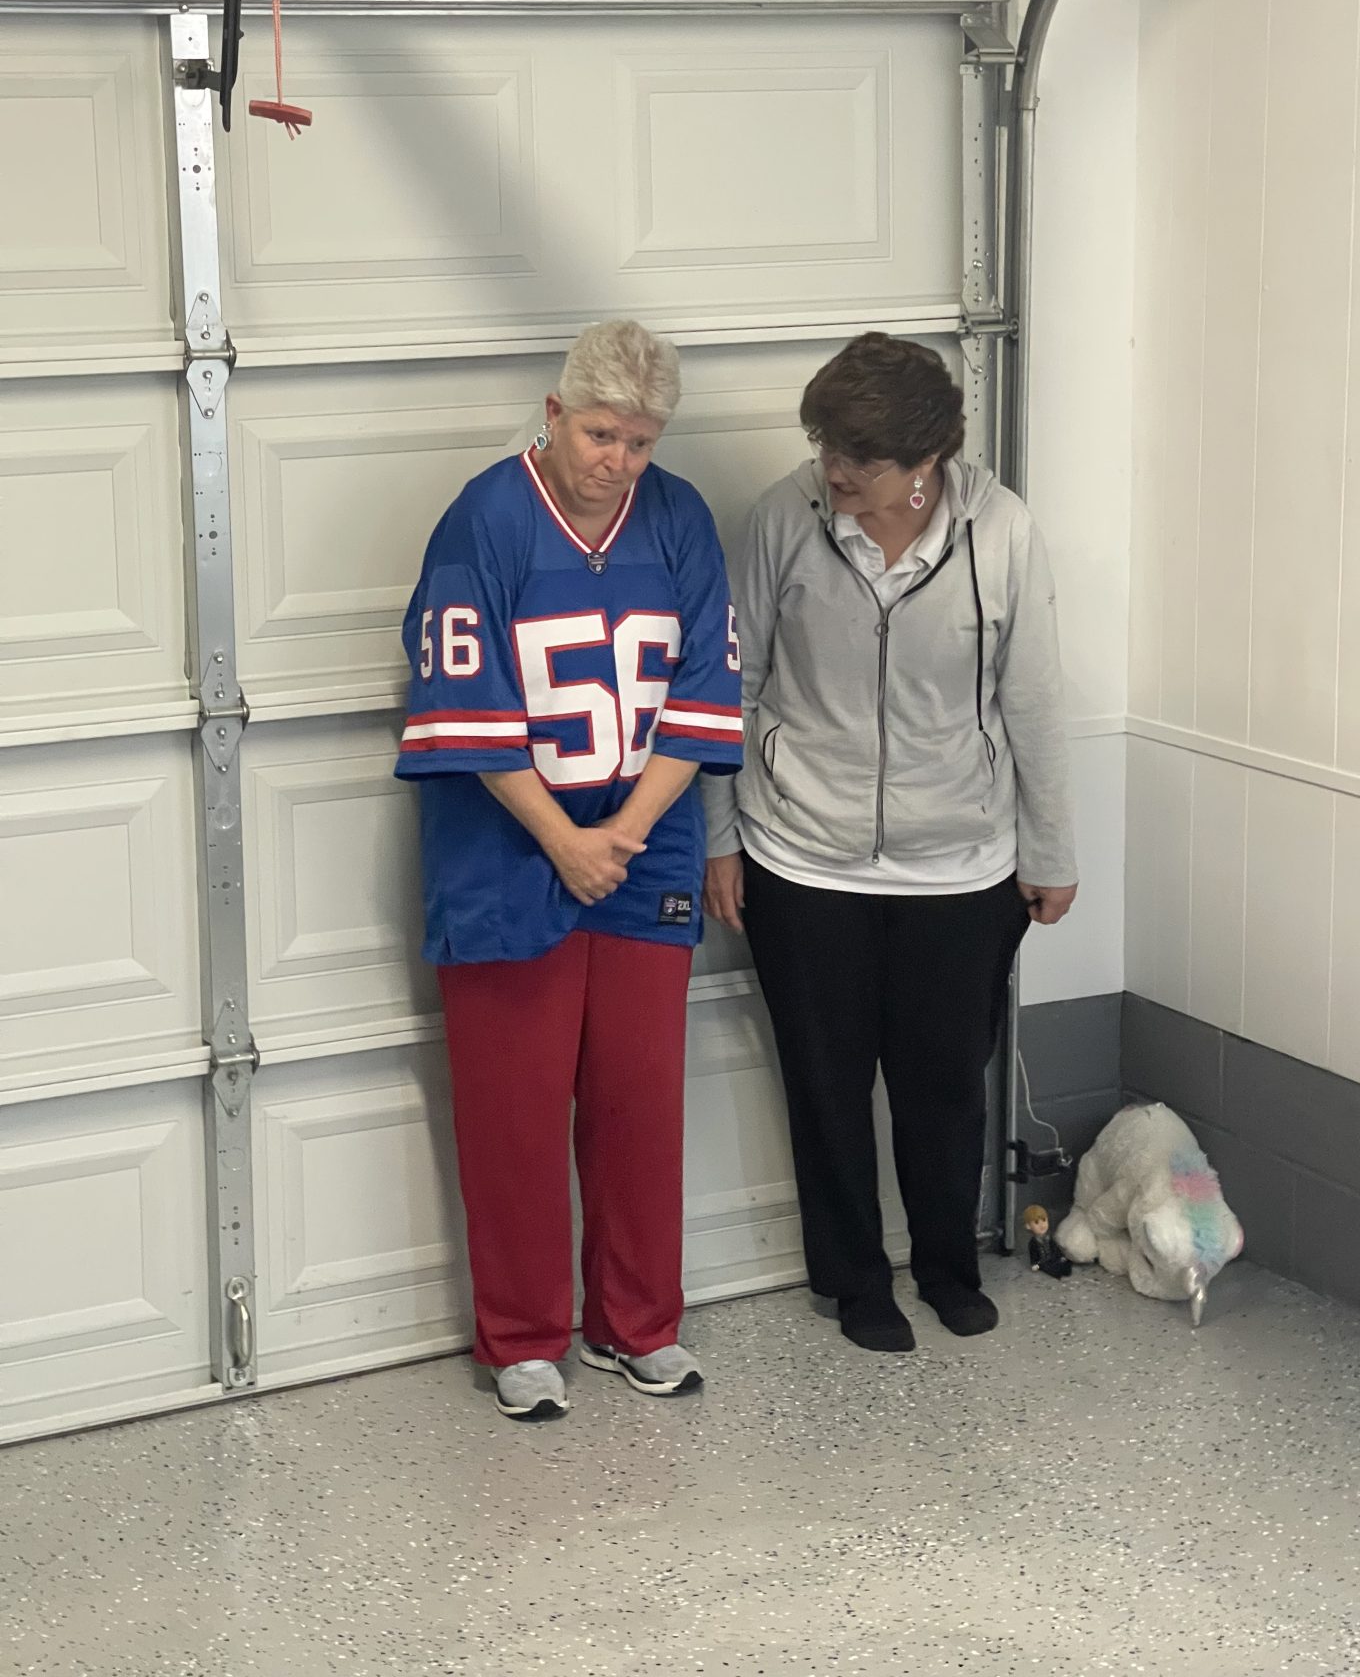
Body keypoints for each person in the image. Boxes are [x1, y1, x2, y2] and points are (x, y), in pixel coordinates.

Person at [702, 332, 1077, 1353]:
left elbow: (1033, 698)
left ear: (925, 463)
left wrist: (1051, 851)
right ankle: (854, 1281)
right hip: (802, 857)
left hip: (960, 865)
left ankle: (949, 1267)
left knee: (945, 1087)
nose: (833, 470)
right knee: (825, 1087)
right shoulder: (784, 520)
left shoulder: (1000, 533)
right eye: (826, 444)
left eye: (858, 458)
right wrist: (721, 837)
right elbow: (727, 690)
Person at [396, 320, 743, 1421]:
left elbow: (703, 698)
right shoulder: (482, 525)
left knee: (641, 1101)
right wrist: (564, 840)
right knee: (515, 1108)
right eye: (602, 434)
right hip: (509, 848)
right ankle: (523, 1337)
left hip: (645, 845)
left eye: (642, 441)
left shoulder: (681, 520)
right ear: (554, 416)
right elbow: (465, 706)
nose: (621, 461)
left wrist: (624, 837)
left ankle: (639, 1324)